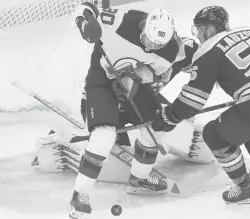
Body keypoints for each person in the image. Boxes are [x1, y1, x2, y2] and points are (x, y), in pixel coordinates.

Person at [151, 5, 250, 206]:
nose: (199, 35)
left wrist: (170, 116)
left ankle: (247, 188)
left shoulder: (207, 51)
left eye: (199, 29)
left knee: (213, 134)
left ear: (208, 29)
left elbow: (193, 99)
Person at [69, 3, 204, 219]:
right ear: (144, 27)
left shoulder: (170, 50)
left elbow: (153, 73)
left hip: (132, 79)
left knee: (158, 125)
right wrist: (85, 22)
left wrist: (131, 81)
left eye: (156, 45)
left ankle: (139, 179)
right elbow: (83, 7)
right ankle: (80, 195)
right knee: (104, 135)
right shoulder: (120, 21)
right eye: (148, 40)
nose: (150, 46)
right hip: (101, 80)